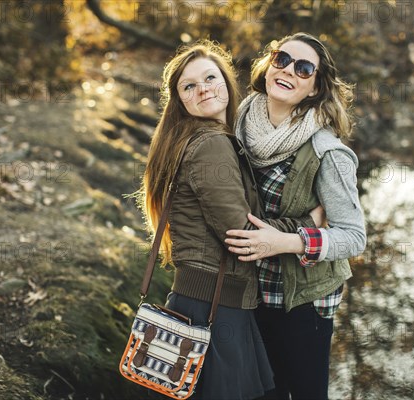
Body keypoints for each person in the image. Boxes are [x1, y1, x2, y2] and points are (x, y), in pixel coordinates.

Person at [138, 40, 323, 400]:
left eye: (210, 77)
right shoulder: (211, 145)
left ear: (226, 81)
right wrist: (308, 223)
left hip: (206, 300)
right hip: (214, 307)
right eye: (189, 86)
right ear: (180, 100)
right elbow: (244, 235)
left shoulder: (201, 138)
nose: (203, 88)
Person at [224, 33, 367, 400]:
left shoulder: (326, 151)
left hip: (304, 301)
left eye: (304, 69)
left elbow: (353, 236)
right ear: (269, 64)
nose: (289, 70)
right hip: (247, 292)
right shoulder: (237, 122)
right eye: (282, 59)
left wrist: (287, 241)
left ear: (316, 87)